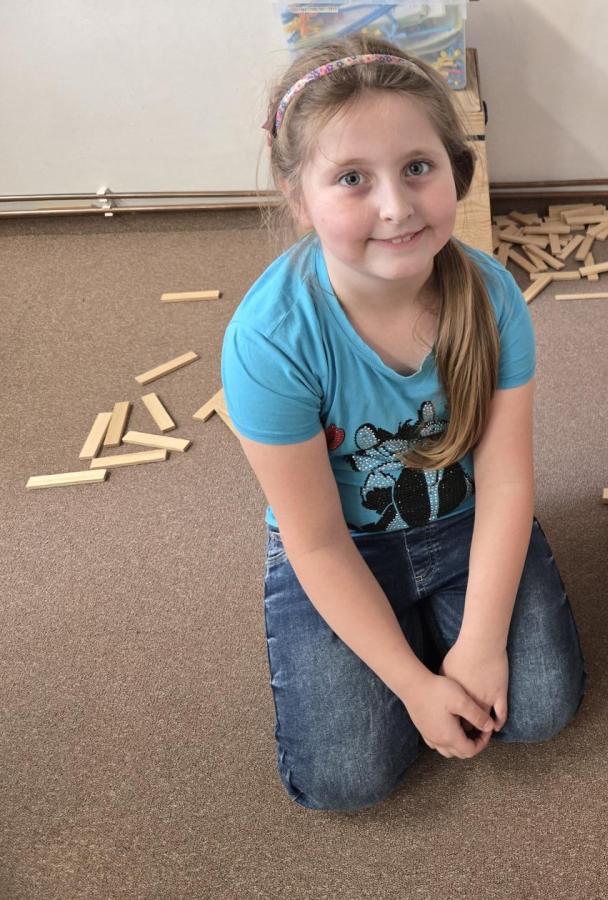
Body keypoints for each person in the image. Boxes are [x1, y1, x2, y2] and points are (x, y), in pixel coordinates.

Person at [221, 36, 586, 812]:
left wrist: (481, 643)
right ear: (298, 197)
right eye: (352, 178)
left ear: (456, 169)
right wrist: (415, 686)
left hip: (463, 520)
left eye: (418, 166)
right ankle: (408, 639)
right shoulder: (269, 340)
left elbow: (506, 481)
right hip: (343, 545)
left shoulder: (493, 299)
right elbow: (316, 541)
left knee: (540, 710)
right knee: (345, 780)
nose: (395, 206)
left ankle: (436, 626)